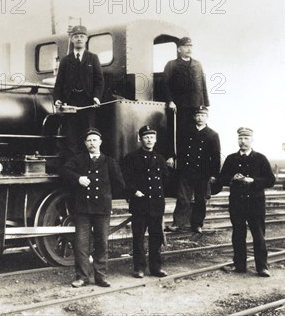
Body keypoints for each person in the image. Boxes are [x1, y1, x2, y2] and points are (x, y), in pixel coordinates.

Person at [60, 128, 125, 288]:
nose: (91, 143)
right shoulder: (79, 159)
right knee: (81, 245)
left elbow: (119, 184)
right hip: (83, 209)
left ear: (100, 142)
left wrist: (106, 195)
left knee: (101, 243)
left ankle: (101, 276)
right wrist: (78, 179)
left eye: (95, 140)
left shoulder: (109, 161)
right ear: (85, 143)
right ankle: (82, 277)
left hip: (102, 210)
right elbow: (64, 170)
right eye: (89, 140)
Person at [216, 127, 275, 277]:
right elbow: (221, 178)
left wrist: (254, 181)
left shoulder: (260, 158)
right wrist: (231, 179)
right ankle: (240, 266)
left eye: (246, 138)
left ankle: (262, 267)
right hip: (237, 204)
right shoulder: (231, 159)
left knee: (259, 235)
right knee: (238, 234)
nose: (243, 141)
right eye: (240, 139)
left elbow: (270, 180)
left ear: (252, 140)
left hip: (255, 204)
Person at [123, 126, 169, 278]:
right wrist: (133, 191)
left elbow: (165, 179)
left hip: (156, 204)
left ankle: (156, 268)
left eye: (151, 137)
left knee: (156, 237)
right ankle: (139, 268)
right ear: (140, 139)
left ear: (155, 140)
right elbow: (126, 179)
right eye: (146, 137)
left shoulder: (160, 159)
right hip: (139, 204)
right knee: (138, 238)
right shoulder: (132, 158)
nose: (149, 140)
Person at [166, 106, 221, 233]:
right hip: (186, 171)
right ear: (194, 117)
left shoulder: (213, 135)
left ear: (207, 117)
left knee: (200, 200)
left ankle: (197, 224)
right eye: (197, 115)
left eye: (203, 115)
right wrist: (172, 157)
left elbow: (216, 156)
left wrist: (214, 174)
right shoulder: (186, 132)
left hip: (203, 173)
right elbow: (178, 149)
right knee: (183, 198)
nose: (200, 118)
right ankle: (178, 223)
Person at [54, 25, 105, 159]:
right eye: (76, 36)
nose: (79, 39)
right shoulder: (65, 60)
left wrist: (96, 97)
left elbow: (100, 80)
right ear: (71, 39)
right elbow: (59, 83)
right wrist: (57, 99)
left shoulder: (93, 58)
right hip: (70, 105)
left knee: (88, 136)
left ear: (86, 39)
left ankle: (88, 166)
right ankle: (74, 168)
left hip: (88, 105)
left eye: (82, 36)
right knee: (71, 138)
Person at [163, 37, 209, 138]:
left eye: (191, 46)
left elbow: (203, 84)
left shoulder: (197, 64)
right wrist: (170, 101)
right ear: (179, 49)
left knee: (197, 131)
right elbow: (165, 84)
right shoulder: (171, 64)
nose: (189, 49)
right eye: (186, 46)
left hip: (196, 105)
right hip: (181, 105)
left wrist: (205, 104)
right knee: (182, 131)